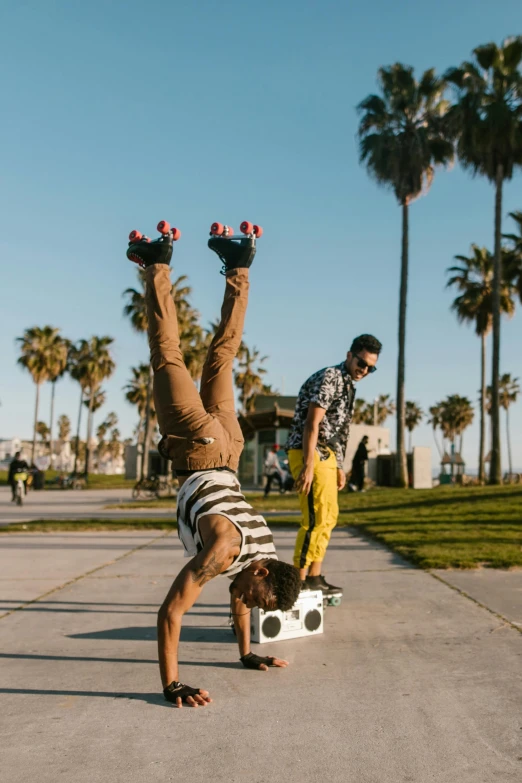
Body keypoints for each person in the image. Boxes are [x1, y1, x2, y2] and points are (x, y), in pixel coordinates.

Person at [126, 224, 301, 709]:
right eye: (257, 597)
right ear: (264, 572)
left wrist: (247, 654)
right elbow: (170, 612)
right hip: (199, 450)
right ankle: (157, 260)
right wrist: (171, 684)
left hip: (229, 447)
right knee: (167, 357)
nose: (246, 601)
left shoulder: (262, 548)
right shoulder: (224, 553)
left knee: (221, 359)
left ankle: (239, 264)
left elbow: (239, 589)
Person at [286, 335, 382, 596]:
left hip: (327, 455)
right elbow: (311, 423)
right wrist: (307, 465)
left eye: (370, 367)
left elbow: (339, 431)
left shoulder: (350, 385)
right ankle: (298, 582)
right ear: (350, 355)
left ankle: (314, 577)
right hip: (308, 451)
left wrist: (340, 465)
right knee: (314, 518)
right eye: (362, 363)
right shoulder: (331, 376)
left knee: (328, 517)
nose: (364, 370)